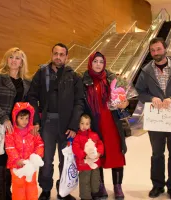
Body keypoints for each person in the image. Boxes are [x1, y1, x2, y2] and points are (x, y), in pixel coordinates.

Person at [135, 37, 171, 200]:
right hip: (156, 120)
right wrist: (150, 98)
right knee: (157, 154)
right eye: (152, 50)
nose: (155, 53)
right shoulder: (146, 70)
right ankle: (157, 185)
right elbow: (139, 91)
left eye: (158, 49)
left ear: (165, 48)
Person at [28, 43, 84, 200]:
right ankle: (45, 189)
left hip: (67, 126)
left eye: (62, 54)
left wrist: (74, 125)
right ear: (51, 54)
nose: (58, 57)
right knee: (46, 159)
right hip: (47, 123)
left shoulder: (74, 76)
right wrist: (36, 120)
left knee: (65, 159)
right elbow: (32, 96)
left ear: (66, 57)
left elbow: (79, 102)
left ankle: (63, 189)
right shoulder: (41, 73)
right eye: (56, 53)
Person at [0, 47, 31, 200]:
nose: (14, 60)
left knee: (14, 160)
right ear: (6, 59)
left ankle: (13, 192)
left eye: (17, 58)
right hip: (0, 126)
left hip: (19, 129)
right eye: (11, 57)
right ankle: (3, 195)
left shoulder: (27, 82)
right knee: (1, 160)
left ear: (22, 61)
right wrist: (4, 118)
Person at [82, 51, 129, 199]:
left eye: (101, 62)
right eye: (95, 61)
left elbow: (123, 99)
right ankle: (100, 185)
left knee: (116, 154)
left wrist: (124, 103)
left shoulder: (112, 79)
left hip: (112, 123)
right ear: (90, 62)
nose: (98, 64)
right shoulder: (84, 81)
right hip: (95, 125)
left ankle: (117, 186)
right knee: (97, 155)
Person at [5, 102, 44, 200]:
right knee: (18, 187)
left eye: (27, 118)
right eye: (21, 118)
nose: (24, 121)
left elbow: (39, 144)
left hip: (30, 165)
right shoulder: (11, 133)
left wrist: (36, 157)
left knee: (31, 186)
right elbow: (10, 148)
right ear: (15, 118)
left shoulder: (32, 131)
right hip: (16, 166)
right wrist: (17, 160)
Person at [72, 114, 104, 200]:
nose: (84, 126)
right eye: (82, 123)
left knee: (95, 179)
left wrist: (99, 152)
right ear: (78, 124)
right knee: (84, 181)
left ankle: (95, 193)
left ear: (90, 125)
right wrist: (84, 155)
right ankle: (85, 197)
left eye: (87, 124)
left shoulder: (94, 135)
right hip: (84, 164)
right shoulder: (77, 137)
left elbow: (100, 144)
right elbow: (75, 148)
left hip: (94, 163)